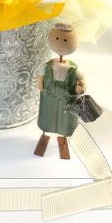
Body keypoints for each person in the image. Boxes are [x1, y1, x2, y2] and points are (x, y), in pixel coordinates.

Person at [34, 24, 86, 159]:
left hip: (68, 100)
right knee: (47, 117)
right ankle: (45, 135)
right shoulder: (47, 66)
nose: (61, 44)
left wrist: (81, 88)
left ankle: (63, 139)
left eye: (65, 40)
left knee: (66, 120)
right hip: (49, 98)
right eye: (57, 38)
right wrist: (40, 86)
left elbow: (82, 83)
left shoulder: (74, 69)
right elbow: (40, 78)